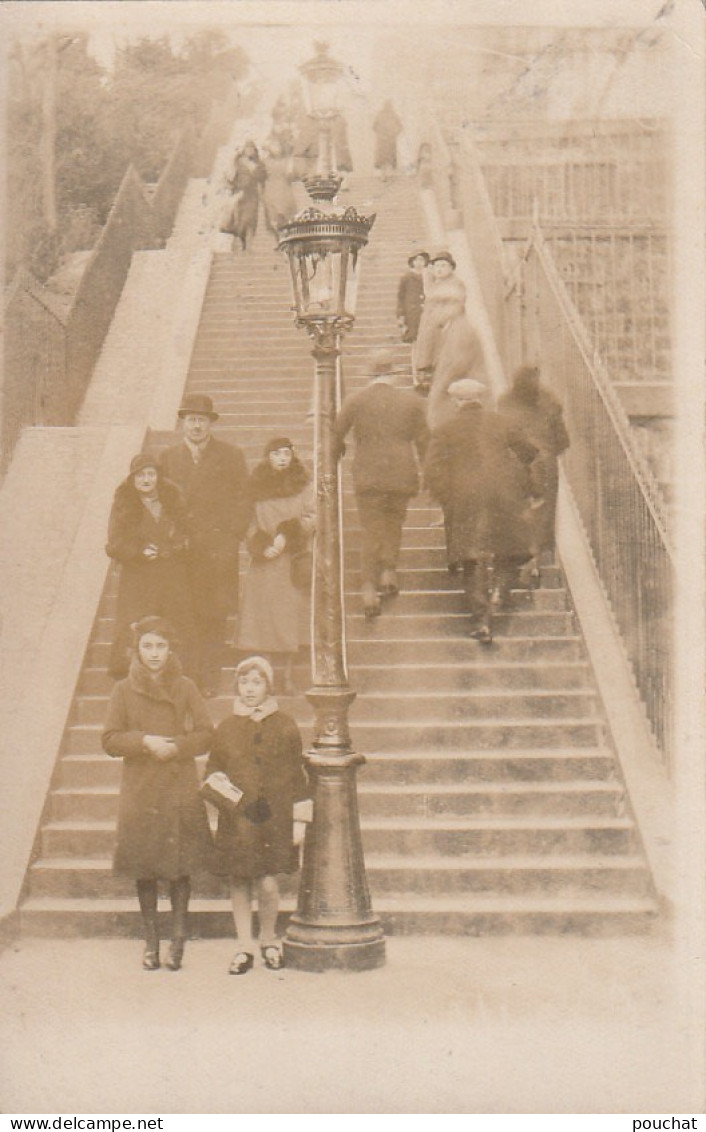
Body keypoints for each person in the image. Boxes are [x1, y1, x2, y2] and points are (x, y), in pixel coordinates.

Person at [102, 616, 214, 971]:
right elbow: (109, 739)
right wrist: (144, 741)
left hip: (177, 785)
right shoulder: (122, 690)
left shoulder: (185, 687)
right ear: (136, 649)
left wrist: (178, 747)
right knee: (145, 867)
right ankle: (151, 941)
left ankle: (177, 940)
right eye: (147, 646)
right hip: (140, 788)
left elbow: (206, 734)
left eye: (161, 646)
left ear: (170, 649)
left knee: (179, 867)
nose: (154, 654)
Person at [206, 655, 310, 974]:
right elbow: (213, 771)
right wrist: (227, 799)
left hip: (273, 818)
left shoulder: (285, 725)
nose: (249, 689)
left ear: (268, 686)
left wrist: (299, 819)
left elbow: (297, 775)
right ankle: (244, 946)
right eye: (244, 682)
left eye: (257, 681)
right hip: (239, 819)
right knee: (240, 879)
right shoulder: (226, 728)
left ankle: (269, 940)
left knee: (267, 882)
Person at [424, 378, 538, 644]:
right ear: (481, 399)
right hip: (502, 496)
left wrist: (447, 497)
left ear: (456, 401)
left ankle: (481, 620)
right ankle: (499, 590)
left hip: (465, 499)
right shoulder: (502, 422)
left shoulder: (445, 429)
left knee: (472, 558)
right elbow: (530, 451)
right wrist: (514, 479)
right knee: (507, 548)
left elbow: (432, 470)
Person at [160, 394, 250, 696]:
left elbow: (243, 499)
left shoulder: (231, 455)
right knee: (185, 615)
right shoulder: (168, 458)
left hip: (217, 551)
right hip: (183, 551)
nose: (196, 426)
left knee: (215, 615)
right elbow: (160, 502)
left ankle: (210, 678)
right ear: (182, 424)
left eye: (201, 420)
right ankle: (190, 679)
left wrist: (231, 536)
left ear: (210, 424)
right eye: (190, 420)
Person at [335, 351, 429, 618]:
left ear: (369, 374)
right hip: (401, 473)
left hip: (368, 475)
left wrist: (334, 457)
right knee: (394, 523)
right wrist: (429, 473)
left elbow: (335, 434)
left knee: (370, 529)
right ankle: (388, 571)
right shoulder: (412, 401)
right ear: (394, 375)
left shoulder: (355, 400)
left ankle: (368, 589)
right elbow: (425, 442)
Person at [237, 438, 315, 694]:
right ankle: (265, 674)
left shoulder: (303, 484)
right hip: (264, 561)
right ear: (267, 457)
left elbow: (312, 515)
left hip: (291, 557)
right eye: (276, 454)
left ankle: (288, 675)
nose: (282, 458)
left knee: (290, 616)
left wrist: (287, 535)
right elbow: (246, 521)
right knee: (263, 618)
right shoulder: (255, 485)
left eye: (286, 454)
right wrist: (259, 543)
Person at [106, 452, 193, 680]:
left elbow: (187, 533)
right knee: (135, 628)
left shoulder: (172, 500)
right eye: (140, 475)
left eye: (151, 474)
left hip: (171, 576)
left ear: (158, 476)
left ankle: (175, 679)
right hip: (138, 580)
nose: (146, 480)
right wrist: (139, 551)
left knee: (176, 625)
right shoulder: (124, 504)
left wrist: (172, 547)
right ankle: (131, 681)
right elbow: (114, 543)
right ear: (133, 479)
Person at [497, 365, 570, 567]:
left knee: (515, 512)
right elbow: (563, 441)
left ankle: (516, 563)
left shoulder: (504, 403)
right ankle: (538, 562)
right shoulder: (549, 403)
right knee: (543, 515)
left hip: (513, 464)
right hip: (544, 465)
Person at [413, 250, 467, 393]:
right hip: (431, 334)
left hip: (445, 332)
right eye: (436, 266)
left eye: (443, 265)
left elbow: (456, 307)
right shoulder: (436, 284)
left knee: (445, 368)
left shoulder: (455, 284)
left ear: (451, 268)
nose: (439, 269)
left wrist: (441, 320)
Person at [223, 140, 267, 252]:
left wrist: (254, 170)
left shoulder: (259, 163)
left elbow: (263, 177)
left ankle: (249, 246)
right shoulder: (238, 162)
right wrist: (230, 184)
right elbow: (232, 178)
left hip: (252, 195)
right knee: (241, 222)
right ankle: (243, 243)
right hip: (240, 194)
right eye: (247, 149)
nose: (249, 151)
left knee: (250, 220)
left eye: (251, 149)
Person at [262, 138, 297, 236]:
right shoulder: (265, 162)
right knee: (274, 219)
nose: (275, 149)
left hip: (284, 191)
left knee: (285, 216)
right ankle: (279, 239)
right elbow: (260, 175)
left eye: (277, 146)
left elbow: (291, 177)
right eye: (273, 146)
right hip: (271, 191)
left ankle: (285, 238)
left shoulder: (286, 161)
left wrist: (290, 169)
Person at [396, 251, 429, 344]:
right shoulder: (406, 277)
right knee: (414, 338)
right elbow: (400, 297)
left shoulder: (429, 277)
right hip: (411, 313)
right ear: (412, 262)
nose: (419, 263)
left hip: (426, 311)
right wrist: (400, 315)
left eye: (422, 260)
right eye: (416, 260)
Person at [372, 99, 403, 180]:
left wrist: (380, 133)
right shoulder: (392, 115)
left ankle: (385, 175)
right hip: (388, 139)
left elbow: (374, 127)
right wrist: (394, 133)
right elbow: (374, 127)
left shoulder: (382, 115)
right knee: (388, 156)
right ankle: (387, 174)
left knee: (385, 157)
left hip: (385, 139)